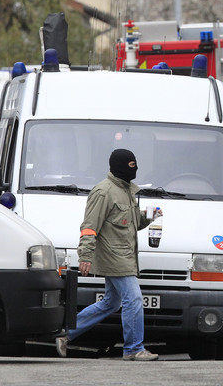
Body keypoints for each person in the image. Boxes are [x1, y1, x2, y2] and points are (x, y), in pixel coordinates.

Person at [55, 149, 160, 362]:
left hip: (125, 255)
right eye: (131, 165)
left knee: (111, 303)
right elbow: (89, 227)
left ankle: (65, 334)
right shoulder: (103, 192)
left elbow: (131, 223)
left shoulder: (127, 190)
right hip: (115, 257)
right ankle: (133, 348)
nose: (135, 169)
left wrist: (148, 217)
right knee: (134, 298)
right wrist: (85, 255)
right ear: (119, 166)